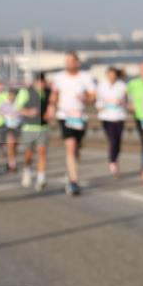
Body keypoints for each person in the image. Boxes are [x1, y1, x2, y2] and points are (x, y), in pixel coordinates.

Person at [46, 51, 96, 196]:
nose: (69, 64)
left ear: (77, 63)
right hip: (65, 115)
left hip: (80, 116)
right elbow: (54, 95)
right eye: (66, 61)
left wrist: (85, 99)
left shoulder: (85, 77)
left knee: (76, 149)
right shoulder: (59, 77)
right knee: (70, 145)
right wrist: (51, 108)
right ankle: (73, 181)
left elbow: (92, 97)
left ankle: (73, 170)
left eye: (71, 61)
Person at [16, 73, 50, 190]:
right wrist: (28, 112)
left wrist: (51, 112)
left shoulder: (47, 92)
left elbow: (53, 103)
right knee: (29, 153)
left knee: (42, 152)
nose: (41, 84)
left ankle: (41, 178)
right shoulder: (25, 92)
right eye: (39, 82)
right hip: (28, 128)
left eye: (43, 82)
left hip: (43, 127)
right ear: (35, 82)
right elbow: (17, 107)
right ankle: (27, 171)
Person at [96, 67, 128, 178]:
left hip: (119, 116)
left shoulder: (122, 86)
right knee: (112, 140)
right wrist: (99, 106)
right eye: (109, 75)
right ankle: (113, 162)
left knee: (118, 141)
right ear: (107, 75)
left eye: (113, 75)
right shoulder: (102, 86)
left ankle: (114, 159)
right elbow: (98, 100)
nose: (111, 77)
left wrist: (122, 102)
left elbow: (127, 100)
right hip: (106, 117)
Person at [0, 87, 22, 172]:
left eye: (13, 95)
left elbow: (23, 114)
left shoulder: (19, 104)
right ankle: (12, 164)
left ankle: (11, 160)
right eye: (9, 95)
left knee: (15, 146)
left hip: (18, 127)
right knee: (10, 144)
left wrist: (18, 115)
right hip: (9, 127)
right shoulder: (5, 104)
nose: (11, 97)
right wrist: (6, 115)